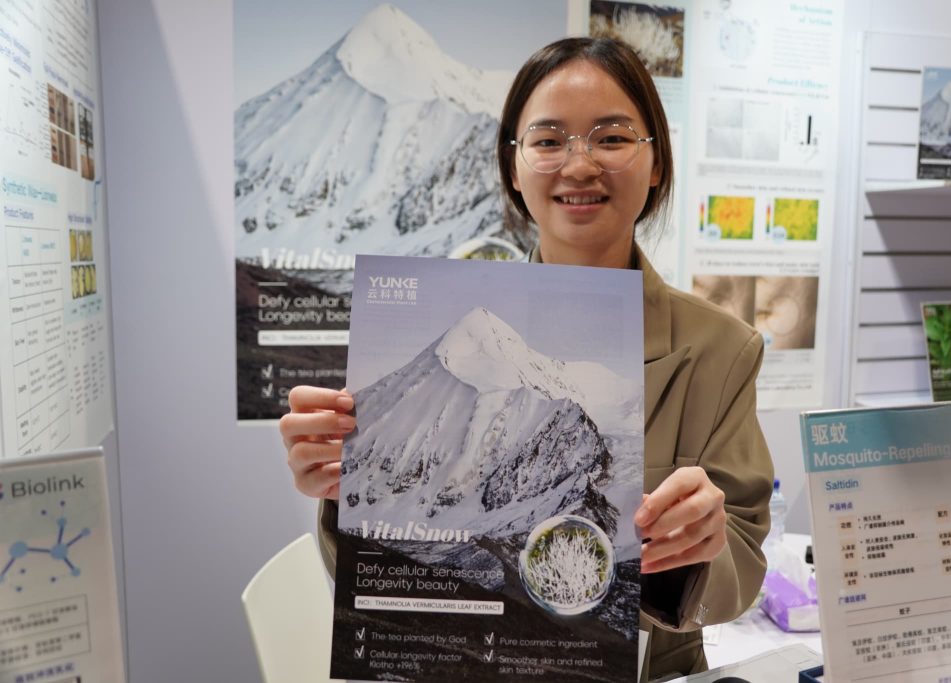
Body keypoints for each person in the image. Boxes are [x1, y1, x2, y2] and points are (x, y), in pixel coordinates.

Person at [280, 36, 773, 681]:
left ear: (656, 163)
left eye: (612, 138)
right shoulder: (439, 320)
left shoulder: (721, 350)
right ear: (513, 168)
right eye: (547, 140)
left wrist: (703, 547)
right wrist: (339, 487)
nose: (579, 164)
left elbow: (741, 572)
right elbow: (374, 582)